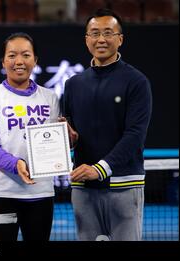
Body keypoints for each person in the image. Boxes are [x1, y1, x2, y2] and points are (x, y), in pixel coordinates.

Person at [62, 8, 152, 241]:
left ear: (120, 39)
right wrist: (68, 140)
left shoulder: (137, 81)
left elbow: (135, 135)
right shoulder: (73, 85)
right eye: (94, 33)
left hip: (124, 184)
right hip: (83, 188)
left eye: (108, 33)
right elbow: (70, 134)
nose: (101, 39)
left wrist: (99, 169)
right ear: (86, 40)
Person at [0, 32, 59, 241]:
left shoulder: (50, 97)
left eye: (26, 55)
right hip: (1, 192)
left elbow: (54, 146)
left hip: (41, 193)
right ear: (3, 61)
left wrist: (69, 141)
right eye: (12, 55)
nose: (19, 61)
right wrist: (16, 164)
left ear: (35, 60)